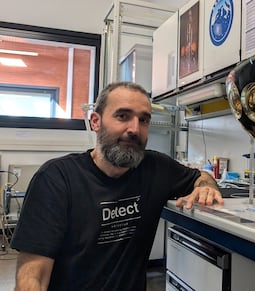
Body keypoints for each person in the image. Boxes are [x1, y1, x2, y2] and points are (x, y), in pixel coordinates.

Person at [11, 81, 224, 291]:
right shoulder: (56, 179)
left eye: (144, 120)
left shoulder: (156, 168)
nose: (134, 129)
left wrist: (207, 187)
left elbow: (201, 176)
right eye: (122, 116)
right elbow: (33, 274)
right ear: (95, 121)